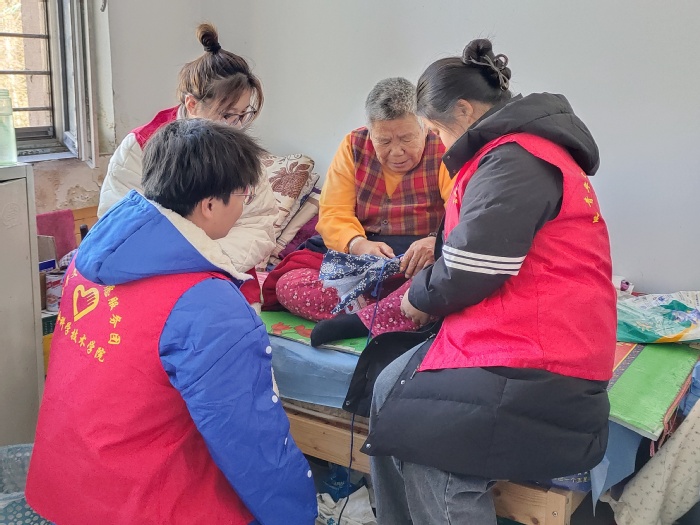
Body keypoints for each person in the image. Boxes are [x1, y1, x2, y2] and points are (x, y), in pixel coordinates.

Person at [362, 39, 616, 524]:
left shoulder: (517, 159)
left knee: (430, 447)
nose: (439, 143)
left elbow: (472, 264)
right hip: (520, 330)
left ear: (463, 110)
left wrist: (418, 296)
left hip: (543, 353)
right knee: (388, 386)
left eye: (437, 130)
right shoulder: (510, 155)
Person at [26, 119, 317, 525]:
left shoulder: (90, 258)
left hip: (66, 484)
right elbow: (250, 440)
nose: (244, 206)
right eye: (244, 196)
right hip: (142, 503)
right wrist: (298, 512)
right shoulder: (207, 304)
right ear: (210, 205)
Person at [98, 23, 277, 310]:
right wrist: (182, 264)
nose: (236, 125)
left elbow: (260, 223)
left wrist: (209, 262)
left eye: (244, 114)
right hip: (156, 277)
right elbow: (118, 223)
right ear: (192, 104)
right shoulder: (141, 146)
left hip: (226, 275)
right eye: (227, 115)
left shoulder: (240, 150)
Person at [270, 77, 453, 346]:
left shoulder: (444, 147)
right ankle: (388, 310)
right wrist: (358, 244)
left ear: (423, 127)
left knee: (442, 280)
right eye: (384, 141)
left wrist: (434, 242)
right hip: (359, 261)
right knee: (289, 285)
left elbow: (461, 212)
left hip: (416, 261)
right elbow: (333, 212)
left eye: (406, 138)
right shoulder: (353, 145)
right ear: (371, 132)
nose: (397, 151)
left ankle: (368, 316)